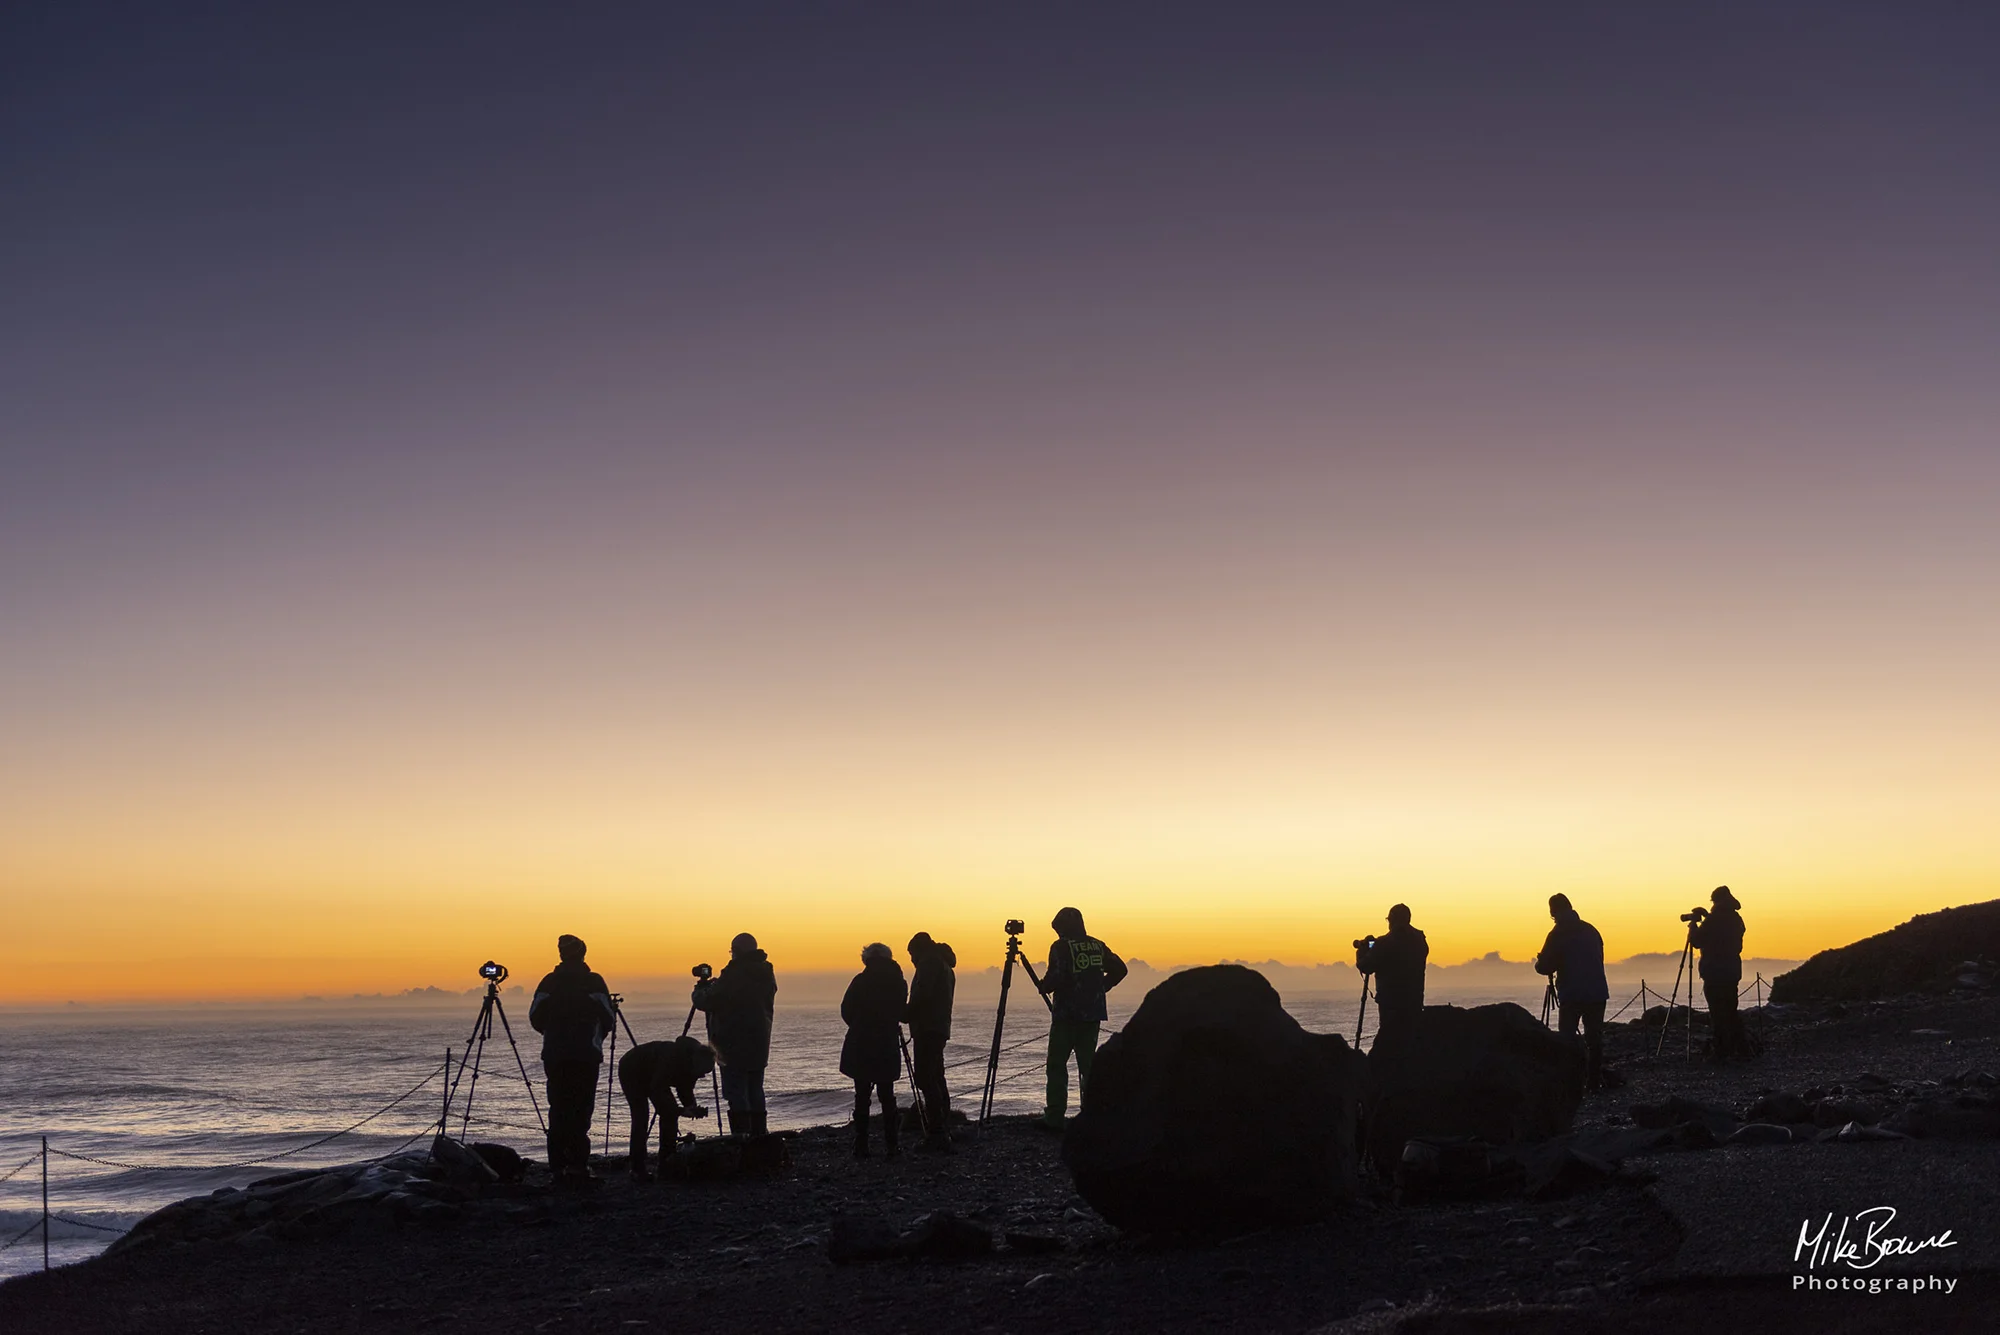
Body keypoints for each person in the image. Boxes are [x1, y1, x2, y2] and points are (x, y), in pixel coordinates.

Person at [528, 934, 616, 1181]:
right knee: (581, 1108)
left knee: (558, 1108)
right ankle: (578, 1165)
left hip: (555, 1054)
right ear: (583, 954)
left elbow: (535, 1016)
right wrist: (595, 1037)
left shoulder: (549, 982)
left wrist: (552, 1033)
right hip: (586, 1054)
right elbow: (608, 1017)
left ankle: (557, 1166)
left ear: (561, 954)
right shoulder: (594, 982)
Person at [1037, 907, 1128, 1131]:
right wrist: (1101, 988)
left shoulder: (1060, 947)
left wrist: (1044, 986)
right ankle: (1093, 1116)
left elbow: (1056, 976)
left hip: (1067, 1015)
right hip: (1092, 1015)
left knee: (1057, 1065)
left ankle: (1055, 1117)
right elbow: (1121, 969)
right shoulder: (1097, 945)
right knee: (1088, 1066)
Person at [692, 932, 777, 1136]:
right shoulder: (766, 973)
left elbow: (707, 1001)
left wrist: (700, 989)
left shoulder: (734, 973)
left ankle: (742, 1137)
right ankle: (759, 1135)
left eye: (732, 951)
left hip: (732, 1044)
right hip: (759, 1042)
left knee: (735, 1091)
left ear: (737, 951)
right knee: (755, 1089)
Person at [1534, 895, 1610, 1091]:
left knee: (1566, 1040)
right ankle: (1593, 1082)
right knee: (1594, 1039)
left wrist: (1540, 962)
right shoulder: (1591, 930)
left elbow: (1545, 966)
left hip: (1572, 993)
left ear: (1554, 912)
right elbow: (1599, 957)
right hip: (1597, 991)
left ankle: (1568, 1083)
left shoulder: (1558, 933)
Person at [840, 942, 908, 1158]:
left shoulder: (860, 981)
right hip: (886, 1042)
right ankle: (892, 1146)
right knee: (887, 1095)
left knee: (861, 1096)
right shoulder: (898, 982)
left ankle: (861, 1145)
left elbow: (846, 1010)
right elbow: (901, 1011)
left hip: (861, 1042)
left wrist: (859, 1025)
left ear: (866, 959)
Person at [616, 1034, 714, 1181]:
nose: (702, 1076)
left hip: (655, 1075)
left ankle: (667, 1163)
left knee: (669, 1115)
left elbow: (685, 1090)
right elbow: (658, 1089)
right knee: (641, 1117)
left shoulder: (692, 1064)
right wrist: (681, 1111)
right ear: (696, 1061)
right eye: (702, 1072)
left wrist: (691, 1107)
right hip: (632, 1070)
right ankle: (638, 1168)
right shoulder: (672, 1059)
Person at [904, 932, 957, 1149]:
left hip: (928, 1027)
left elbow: (922, 996)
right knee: (936, 1076)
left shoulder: (930, 963)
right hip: (938, 1026)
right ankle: (943, 1124)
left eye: (911, 954)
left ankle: (936, 1131)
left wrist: (905, 1013)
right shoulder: (943, 963)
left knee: (925, 1078)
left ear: (919, 949)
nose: (911, 960)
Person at [1354, 903, 1429, 1041]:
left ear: (1393, 920)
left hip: (1391, 1005)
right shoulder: (1420, 940)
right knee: (1410, 1041)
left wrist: (1362, 952)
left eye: (1389, 920)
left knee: (1389, 1042)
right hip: (1414, 1003)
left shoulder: (1385, 943)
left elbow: (1366, 966)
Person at [1691, 885, 1749, 1061]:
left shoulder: (1714, 919)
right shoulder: (1735, 918)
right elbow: (1722, 933)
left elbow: (1697, 941)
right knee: (1731, 1010)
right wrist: (1707, 918)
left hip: (1714, 972)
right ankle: (1740, 1048)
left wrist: (1693, 925)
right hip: (1731, 971)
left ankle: (1723, 1051)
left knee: (1717, 1012)